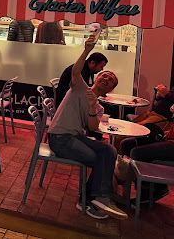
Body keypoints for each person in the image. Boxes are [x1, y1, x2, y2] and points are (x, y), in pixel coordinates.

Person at [47, 36, 127, 220]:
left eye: (111, 80)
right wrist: (86, 50)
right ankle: (93, 200)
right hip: (60, 138)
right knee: (98, 159)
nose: (107, 77)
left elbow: (93, 127)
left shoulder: (98, 107)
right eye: (105, 75)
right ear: (98, 78)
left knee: (109, 150)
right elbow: (75, 71)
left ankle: (97, 198)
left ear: (109, 90)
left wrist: (92, 107)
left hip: (75, 138)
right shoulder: (80, 87)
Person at [118, 84, 174, 156]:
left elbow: (170, 99)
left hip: (163, 119)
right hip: (152, 113)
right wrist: (160, 96)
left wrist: (167, 95)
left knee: (129, 132)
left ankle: (108, 151)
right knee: (126, 128)